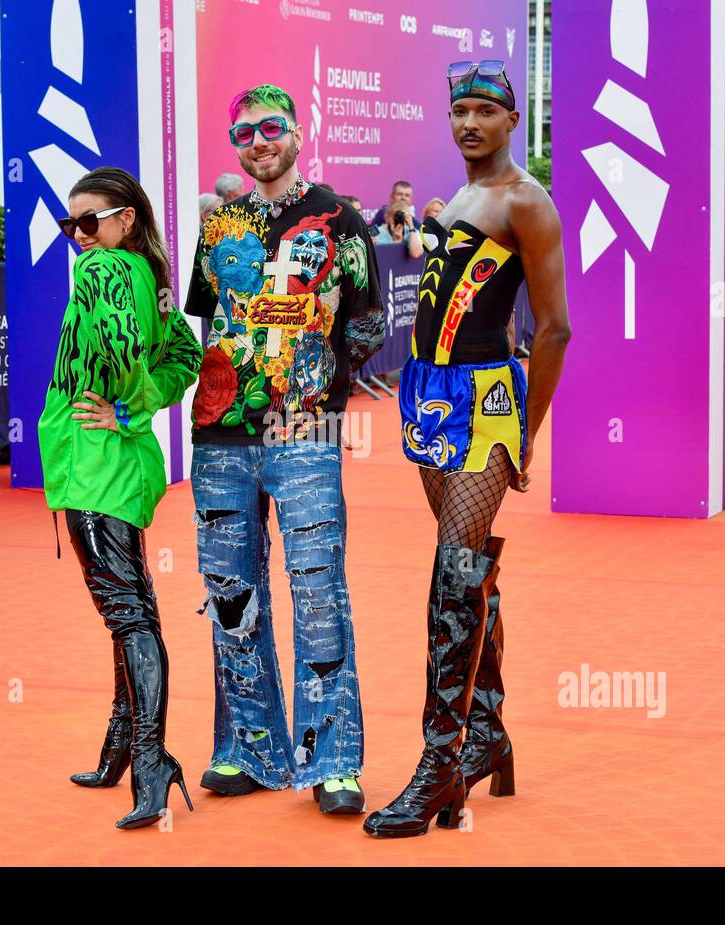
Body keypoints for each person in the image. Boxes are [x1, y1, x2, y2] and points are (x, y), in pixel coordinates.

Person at [366, 59, 571, 838]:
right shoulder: (455, 198)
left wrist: (526, 432)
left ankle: (438, 763)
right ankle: (487, 731)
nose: (469, 123)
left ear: (513, 121)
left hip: (486, 399)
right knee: (473, 568)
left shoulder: (528, 202)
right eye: (459, 110)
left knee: (454, 577)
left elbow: (554, 328)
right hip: (424, 394)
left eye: (486, 110)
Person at [183, 83, 385, 814]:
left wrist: (317, 384)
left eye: (271, 128)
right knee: (231, 596)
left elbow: (367, 328)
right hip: (220, 438)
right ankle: (247, 750)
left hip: (305, 432)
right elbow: (206, 324)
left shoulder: (343, 220)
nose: (258, 142)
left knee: (317, 590)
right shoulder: (219, 227)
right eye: (244, 134)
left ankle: (332, 762)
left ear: (299, 133)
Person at [38, 166, 202, 829]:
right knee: (129, 608)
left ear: (125, 218)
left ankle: (149, 758)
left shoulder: (103, 271)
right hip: (118, 463)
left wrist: (127, 409)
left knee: (126, 613)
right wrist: (138, 413)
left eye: (89, 222)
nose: (79, 237)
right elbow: (185, 356)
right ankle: (120, 746)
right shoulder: (152, 278)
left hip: (94, 465)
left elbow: (132, 353)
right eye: (69, 226)